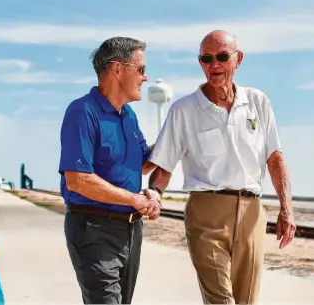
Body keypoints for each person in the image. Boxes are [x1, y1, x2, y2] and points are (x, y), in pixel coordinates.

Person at [144, 30, 297, 304]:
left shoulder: (258, 102)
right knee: (220, 300)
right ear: (200, 62)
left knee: (246, 300)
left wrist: (286, 210)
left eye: (222, 57)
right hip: (206, 215)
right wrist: (155, 192)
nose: (214, 65)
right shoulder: (183, 110)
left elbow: (275, 160)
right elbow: (164, 166)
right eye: (206, 58)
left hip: (252, 214)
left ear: (238, 60)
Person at [58, 36, 162, 304]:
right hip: (93, 228)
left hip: (130, 231)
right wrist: (134, 199)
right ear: (118, 69)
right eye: (140, 69)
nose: (145, 77)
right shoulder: (82, 112)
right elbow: (78, 180)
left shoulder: (128, 115)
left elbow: (142, 163)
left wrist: (175, 138)